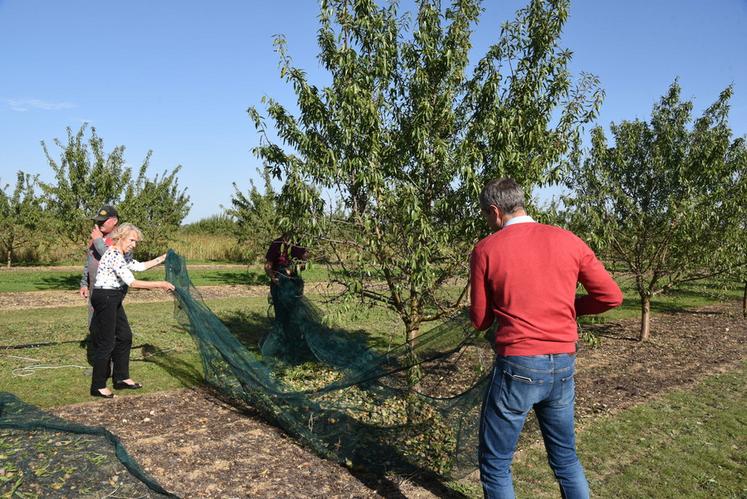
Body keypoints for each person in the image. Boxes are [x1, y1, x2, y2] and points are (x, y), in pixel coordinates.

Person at [470, 178, 623, 499]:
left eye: (486, 215)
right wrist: (569, 308)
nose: (488, 221)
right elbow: (611, 296)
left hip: (518, 366)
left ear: (495, 211)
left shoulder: (487, 249)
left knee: (496, 462)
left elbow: (481, 320)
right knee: (565, 458)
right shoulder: (568, 240)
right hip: (562, 365)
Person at [89, 223, 174, 398]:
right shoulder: (114, 254)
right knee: (107, 342)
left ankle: (121, 378)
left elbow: (140, 266)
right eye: (132, 240)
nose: (134, 245)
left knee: (125, 336)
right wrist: (161, 284)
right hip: (105, 297)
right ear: (121, 237)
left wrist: (163, 258)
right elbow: (133, 282)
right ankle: (97, 386)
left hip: (113, 297)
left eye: (136, 241)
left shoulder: (123, 255)